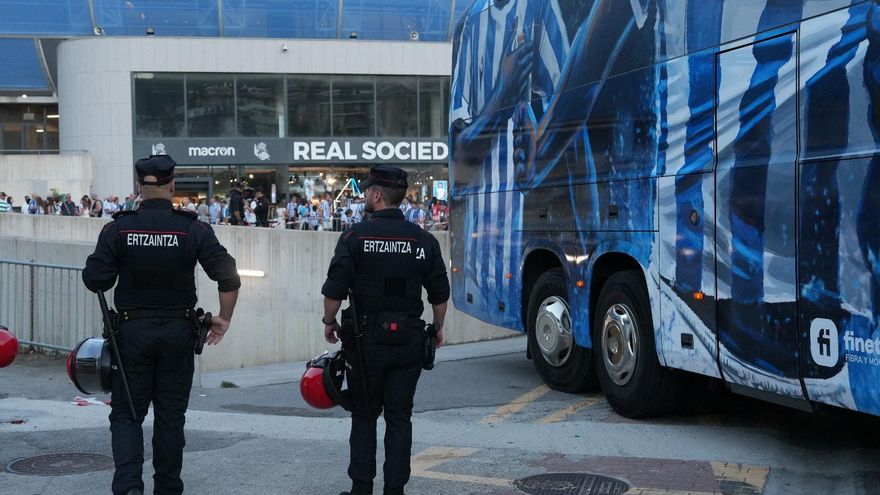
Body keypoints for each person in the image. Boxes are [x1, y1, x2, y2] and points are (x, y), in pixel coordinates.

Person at [81, 154, 241, 495]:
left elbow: (95, 279)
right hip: (177, 334)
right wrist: (223, 319)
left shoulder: (118, 228)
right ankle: (167, 488)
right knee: (170, 417)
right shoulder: (192, 228)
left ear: (139, 186)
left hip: (131, 336)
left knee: (127, 415)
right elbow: (228, 276)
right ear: (172, 185)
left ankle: (129, 488)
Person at [321, 165, 449, 495]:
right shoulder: (424, 240)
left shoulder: (354, 237)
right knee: (399, 417)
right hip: (408, 340)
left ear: (377, 195)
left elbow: (335, 288)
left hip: (366, 343)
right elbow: (439, 292)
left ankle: (361, 489)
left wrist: (329, 322)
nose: (364, 195)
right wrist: (437, 328)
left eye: (367, 190)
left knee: (364, 416)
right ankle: (395, 490)